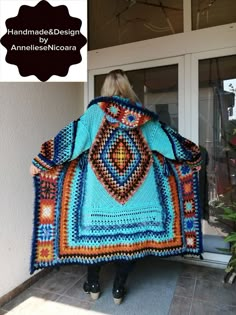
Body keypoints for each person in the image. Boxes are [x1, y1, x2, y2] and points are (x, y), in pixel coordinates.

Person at [30, 69, 202, 305]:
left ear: (106, 90)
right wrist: (192, 158)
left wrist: (42, 161)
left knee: (95, 243)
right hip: (138, 197)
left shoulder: (94, 114)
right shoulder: (144, 120)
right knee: (129, 244)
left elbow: (71, 141)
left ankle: (93, 285)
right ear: (127, 88)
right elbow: (170, 141)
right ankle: (119, 289)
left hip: (99, 197)